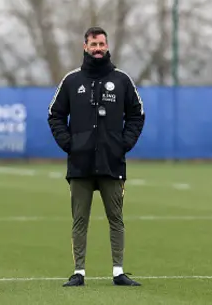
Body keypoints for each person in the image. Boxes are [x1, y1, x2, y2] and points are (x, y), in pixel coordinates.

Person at [47, 26, 146, 287]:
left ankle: (118, 271)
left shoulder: (122, 80)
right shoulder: (72, 81)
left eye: (101, 44)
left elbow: (137, 114)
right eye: (93, 44)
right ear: (85, 47)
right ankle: (78, 272)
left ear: (107, 45)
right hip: (80, 163)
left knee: (116, 219)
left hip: (112, 163)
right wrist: (70, 144)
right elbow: (54, 115)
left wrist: (122, 144)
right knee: (80, 220)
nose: (98, 48)